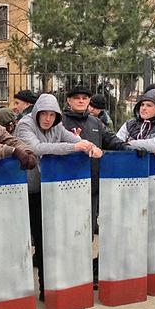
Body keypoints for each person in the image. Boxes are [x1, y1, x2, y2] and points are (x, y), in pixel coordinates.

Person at [15, 93, 97, 300]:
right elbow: (36, 148)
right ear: (37, 112)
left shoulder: (56, 126)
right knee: (38, 241)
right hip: (29, 191)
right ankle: (40, 289)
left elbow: (77, 140)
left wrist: (91, 147)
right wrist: (74, 147)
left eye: (52, 115)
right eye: (45, 114)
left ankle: (54, 286)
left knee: (53, 239)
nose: (48, 119)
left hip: (53, 191)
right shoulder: (25, 125)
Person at [61, 86, 127, 234]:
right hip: (67, 182)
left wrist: (127, 147)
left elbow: (110, 139)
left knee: (88, 228)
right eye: (77, 98)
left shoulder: (96, 122)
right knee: (69, 229)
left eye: (84, 98)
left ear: (89, 101)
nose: (80, 101)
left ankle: (86, 257)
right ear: (69, 101)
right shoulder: (61, 122)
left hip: (92, 183)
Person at [116, 89, 155, 153]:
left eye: (149, 105)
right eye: (142, 104)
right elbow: (117, 143)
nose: (144, 108)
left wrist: (132, 143)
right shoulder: (130, 124)